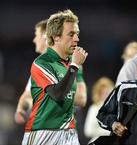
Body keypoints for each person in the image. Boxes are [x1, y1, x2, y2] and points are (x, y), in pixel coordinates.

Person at [21, 9, 88, 145]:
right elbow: (57, 94)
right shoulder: (42, 63)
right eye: (71, 34)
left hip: (69, 131)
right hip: (43, 133)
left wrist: (74, 66)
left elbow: (81, 99)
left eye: (77, 34)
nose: (77, 39)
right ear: (56, 37)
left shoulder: (71, 64)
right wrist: (74, 66)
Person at [14, 19, 48, 124]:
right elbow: (28, 96)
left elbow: (80, 98)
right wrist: (21, 109)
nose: (34, 40)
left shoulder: (68, 64)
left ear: (45, 37)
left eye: (36, 35)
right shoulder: (40, 65)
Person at [84, 77, 114, 143]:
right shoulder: (94, 108)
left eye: (109, 92)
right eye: (104, 93)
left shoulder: (117, 109)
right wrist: (109, 131)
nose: (107, 96)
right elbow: (88, 131)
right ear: (98, 94)